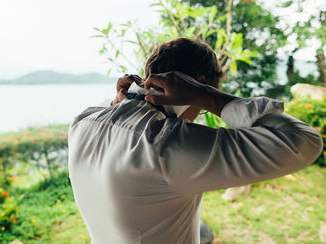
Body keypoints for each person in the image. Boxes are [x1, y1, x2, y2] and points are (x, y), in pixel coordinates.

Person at [68, 38, 323, 244]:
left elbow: (112, 118)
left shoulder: (82, 122)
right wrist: (208, 96)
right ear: (196, 85)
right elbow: (303, 141)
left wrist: (121, 102)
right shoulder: (167, 146)